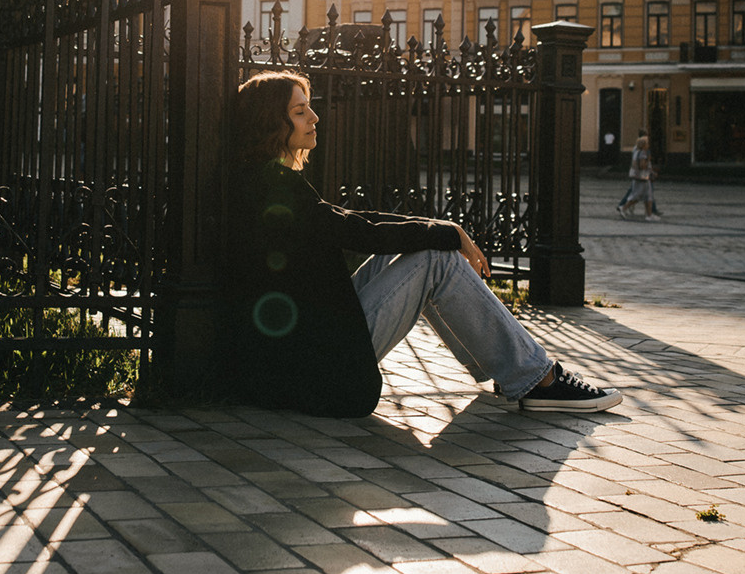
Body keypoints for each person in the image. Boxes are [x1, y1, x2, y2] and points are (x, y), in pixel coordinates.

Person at [218, 71, 625, 417]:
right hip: (321, 369)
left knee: (427, 249)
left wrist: (440, 225)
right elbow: (360, 232)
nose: (315, 116)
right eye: (300, 110)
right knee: (436, 260)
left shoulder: (264, 180)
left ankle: (512, 370)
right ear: (273, 122)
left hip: (308, 348)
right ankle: (539, 380)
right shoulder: (271, 186)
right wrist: (447, 232)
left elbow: (350, 221)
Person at [620, 132, 659, 220]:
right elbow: (642, 166)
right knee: (637, 196)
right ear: (644, 144)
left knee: (648, 196)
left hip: (642, 177)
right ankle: (623, 208)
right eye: (648, 143)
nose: (649, 145)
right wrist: (648, 161)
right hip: (641, 178)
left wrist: (651, 172)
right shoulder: (643, 153)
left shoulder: (637, 151)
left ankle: (649, 215)